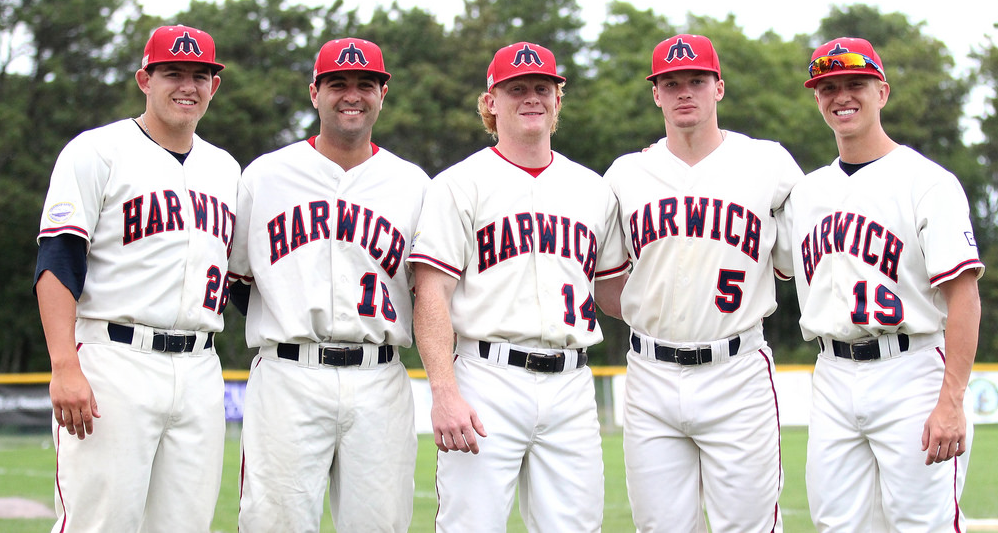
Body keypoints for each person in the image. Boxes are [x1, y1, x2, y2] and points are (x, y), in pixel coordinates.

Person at [408, 41, 629, 532]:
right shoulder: (458, 183)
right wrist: (444, 391)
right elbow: (431, 294)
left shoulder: (593, 189)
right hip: (487, 377)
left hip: (572, 381)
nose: (532, 97)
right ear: (491, 102)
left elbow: (615, 293)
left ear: (557, 99)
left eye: (542, 88)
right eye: (516, 89)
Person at [34, 24, 237, 532]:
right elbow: (58, 261)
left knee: (184, 525)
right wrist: (64, 365)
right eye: (173, 73)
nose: (187, 85)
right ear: (145, 78)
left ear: (216, 84)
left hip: (199, 367)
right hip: (114, 361)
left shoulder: (227, 170)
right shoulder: (97, 151)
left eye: (199, 74)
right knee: (100, 522)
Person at [776, 36, 983, 531]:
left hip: (911, 370)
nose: (841, 96)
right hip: (831, 372)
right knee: (836, 523)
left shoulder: (926, 181)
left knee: (921, 523)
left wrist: (951, 399)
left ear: (882, 92)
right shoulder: (806, 193)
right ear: (817, 98)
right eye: (828, 87)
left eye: (856, 84)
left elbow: (964, 297)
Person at [603, 34, 801, 532]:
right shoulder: (626, 174)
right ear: (656, 94)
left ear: (720, 88)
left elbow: (802, 259)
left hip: (737, 370)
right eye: (670, 83)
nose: (683, 91)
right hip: (650, 372)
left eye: (696, 80)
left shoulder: (769, 163)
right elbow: (605, 281)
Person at [228, 37, 428, 532]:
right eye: (337, 84)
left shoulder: (412, 184)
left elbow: (427, 293)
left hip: (379, 376)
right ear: (314, 92)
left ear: (384, 93)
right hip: (288, 375)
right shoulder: (265, 176)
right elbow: (238, 280)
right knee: (274, 522)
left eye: (365, 84)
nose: (351, 95)